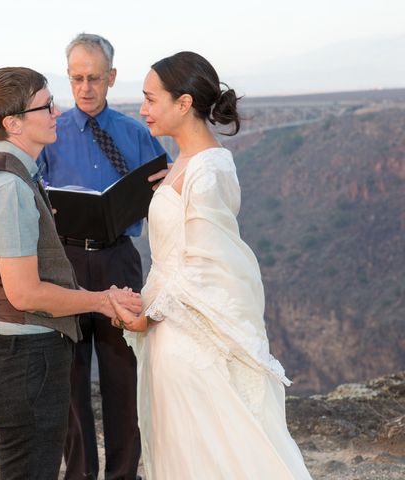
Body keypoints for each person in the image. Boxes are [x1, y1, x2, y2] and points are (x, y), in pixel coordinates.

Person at [108, 52, 313, 479]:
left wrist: (150, 314)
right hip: (171, 329)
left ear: (183, 104)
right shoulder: (186, 163)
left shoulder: (207, 171)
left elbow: (211, 267)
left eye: (150, 99)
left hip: (187, 337)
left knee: (205, 449)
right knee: (182, 445)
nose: (142, 109)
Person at [0, 66, 142, 480]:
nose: (57, 112)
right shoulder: (9, 189)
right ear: (14, 123)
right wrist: (101, 300)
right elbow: (25, 295)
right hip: (25, 362)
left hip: (25, 357)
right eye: (46, 105)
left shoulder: (13, 175)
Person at [38, 33, 168, 480]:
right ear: (68, 77)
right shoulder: (49, 135)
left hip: (119, 260)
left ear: (111, 77)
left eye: (95, 78)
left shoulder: (138, 135)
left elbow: (165, 198)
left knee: (122, 378)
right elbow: (34, 198)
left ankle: (123, 476)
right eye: (77, 78)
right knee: (70, 381)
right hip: (66, 265)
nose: (85, 88)